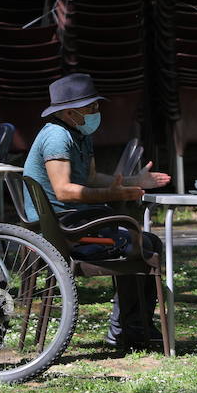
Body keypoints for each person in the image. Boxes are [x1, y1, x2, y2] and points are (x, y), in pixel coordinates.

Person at [22, 73, 172, 348]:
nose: (96, 112)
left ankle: (129, 327)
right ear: (70, 111)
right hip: (63, 230)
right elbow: (64, 190)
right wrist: (114, 194)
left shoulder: (78, 134)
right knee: (141, 244)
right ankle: (130, 329)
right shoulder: (57, 137)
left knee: (145, 241)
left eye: (96, 106)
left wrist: (132, 182)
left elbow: (90, 179)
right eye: (90, 107)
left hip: (73, 222)